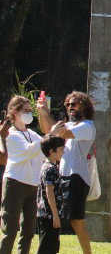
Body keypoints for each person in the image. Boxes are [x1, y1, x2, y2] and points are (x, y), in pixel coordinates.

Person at [1, 97, 63, 254]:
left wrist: (44, 112)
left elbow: (43, 147)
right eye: (26, 111)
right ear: (15, 113)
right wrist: (51, 134)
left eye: (31, 110)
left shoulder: (32, 135)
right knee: (10, 229)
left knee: (28, 231)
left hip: (32, 186)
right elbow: (28, 151)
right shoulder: (11, 135)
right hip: (14, 184)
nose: (29, 114)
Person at [38, 91, 95, 254]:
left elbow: (59, 132)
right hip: (62, 176)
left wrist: (47, 113)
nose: (70, 107)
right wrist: (42, 111)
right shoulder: (70, 125)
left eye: (74, 103)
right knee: (53, 218)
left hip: (76, 177)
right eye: (68, 104)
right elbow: (48, 131)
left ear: (83, 105)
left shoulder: (87, 126)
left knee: (77, 222)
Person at [35, 135, 65, 254]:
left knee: (49, 245)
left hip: (43, 213)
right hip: (49, 215)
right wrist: (55, 215)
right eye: (61, 149)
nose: (63, 152)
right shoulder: (51, 169)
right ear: (51, 151)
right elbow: (49, 192)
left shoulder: (44, 166)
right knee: (46, 247)